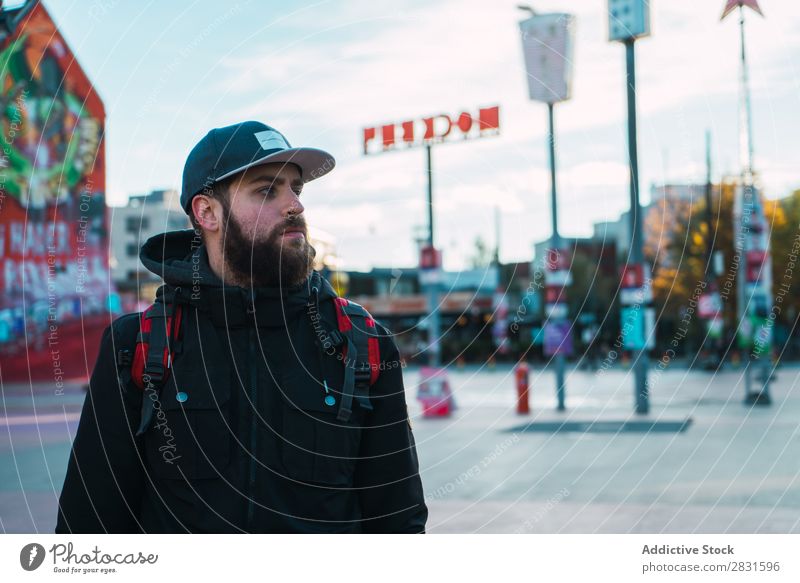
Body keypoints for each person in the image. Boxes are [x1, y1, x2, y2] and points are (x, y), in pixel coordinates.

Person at [56, 121, 428, 533]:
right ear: (207, 212)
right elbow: (89, 523)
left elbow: (398, 519)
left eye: (296, 189)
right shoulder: (137, 346)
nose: (295, 206)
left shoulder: (361, 341)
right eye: (268, 190)